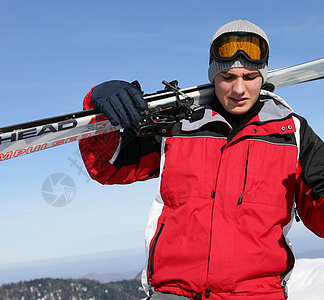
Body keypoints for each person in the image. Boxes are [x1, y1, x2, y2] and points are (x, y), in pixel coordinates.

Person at [78, 20, 324, 299]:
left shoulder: (292, 133)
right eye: (228, 77)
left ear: (263, 78)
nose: (239, 89)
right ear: (213, 76)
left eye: (250, 77)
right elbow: (108, 167)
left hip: (256, 293)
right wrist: (98, 113)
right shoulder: (179, 127)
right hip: (175, 291)